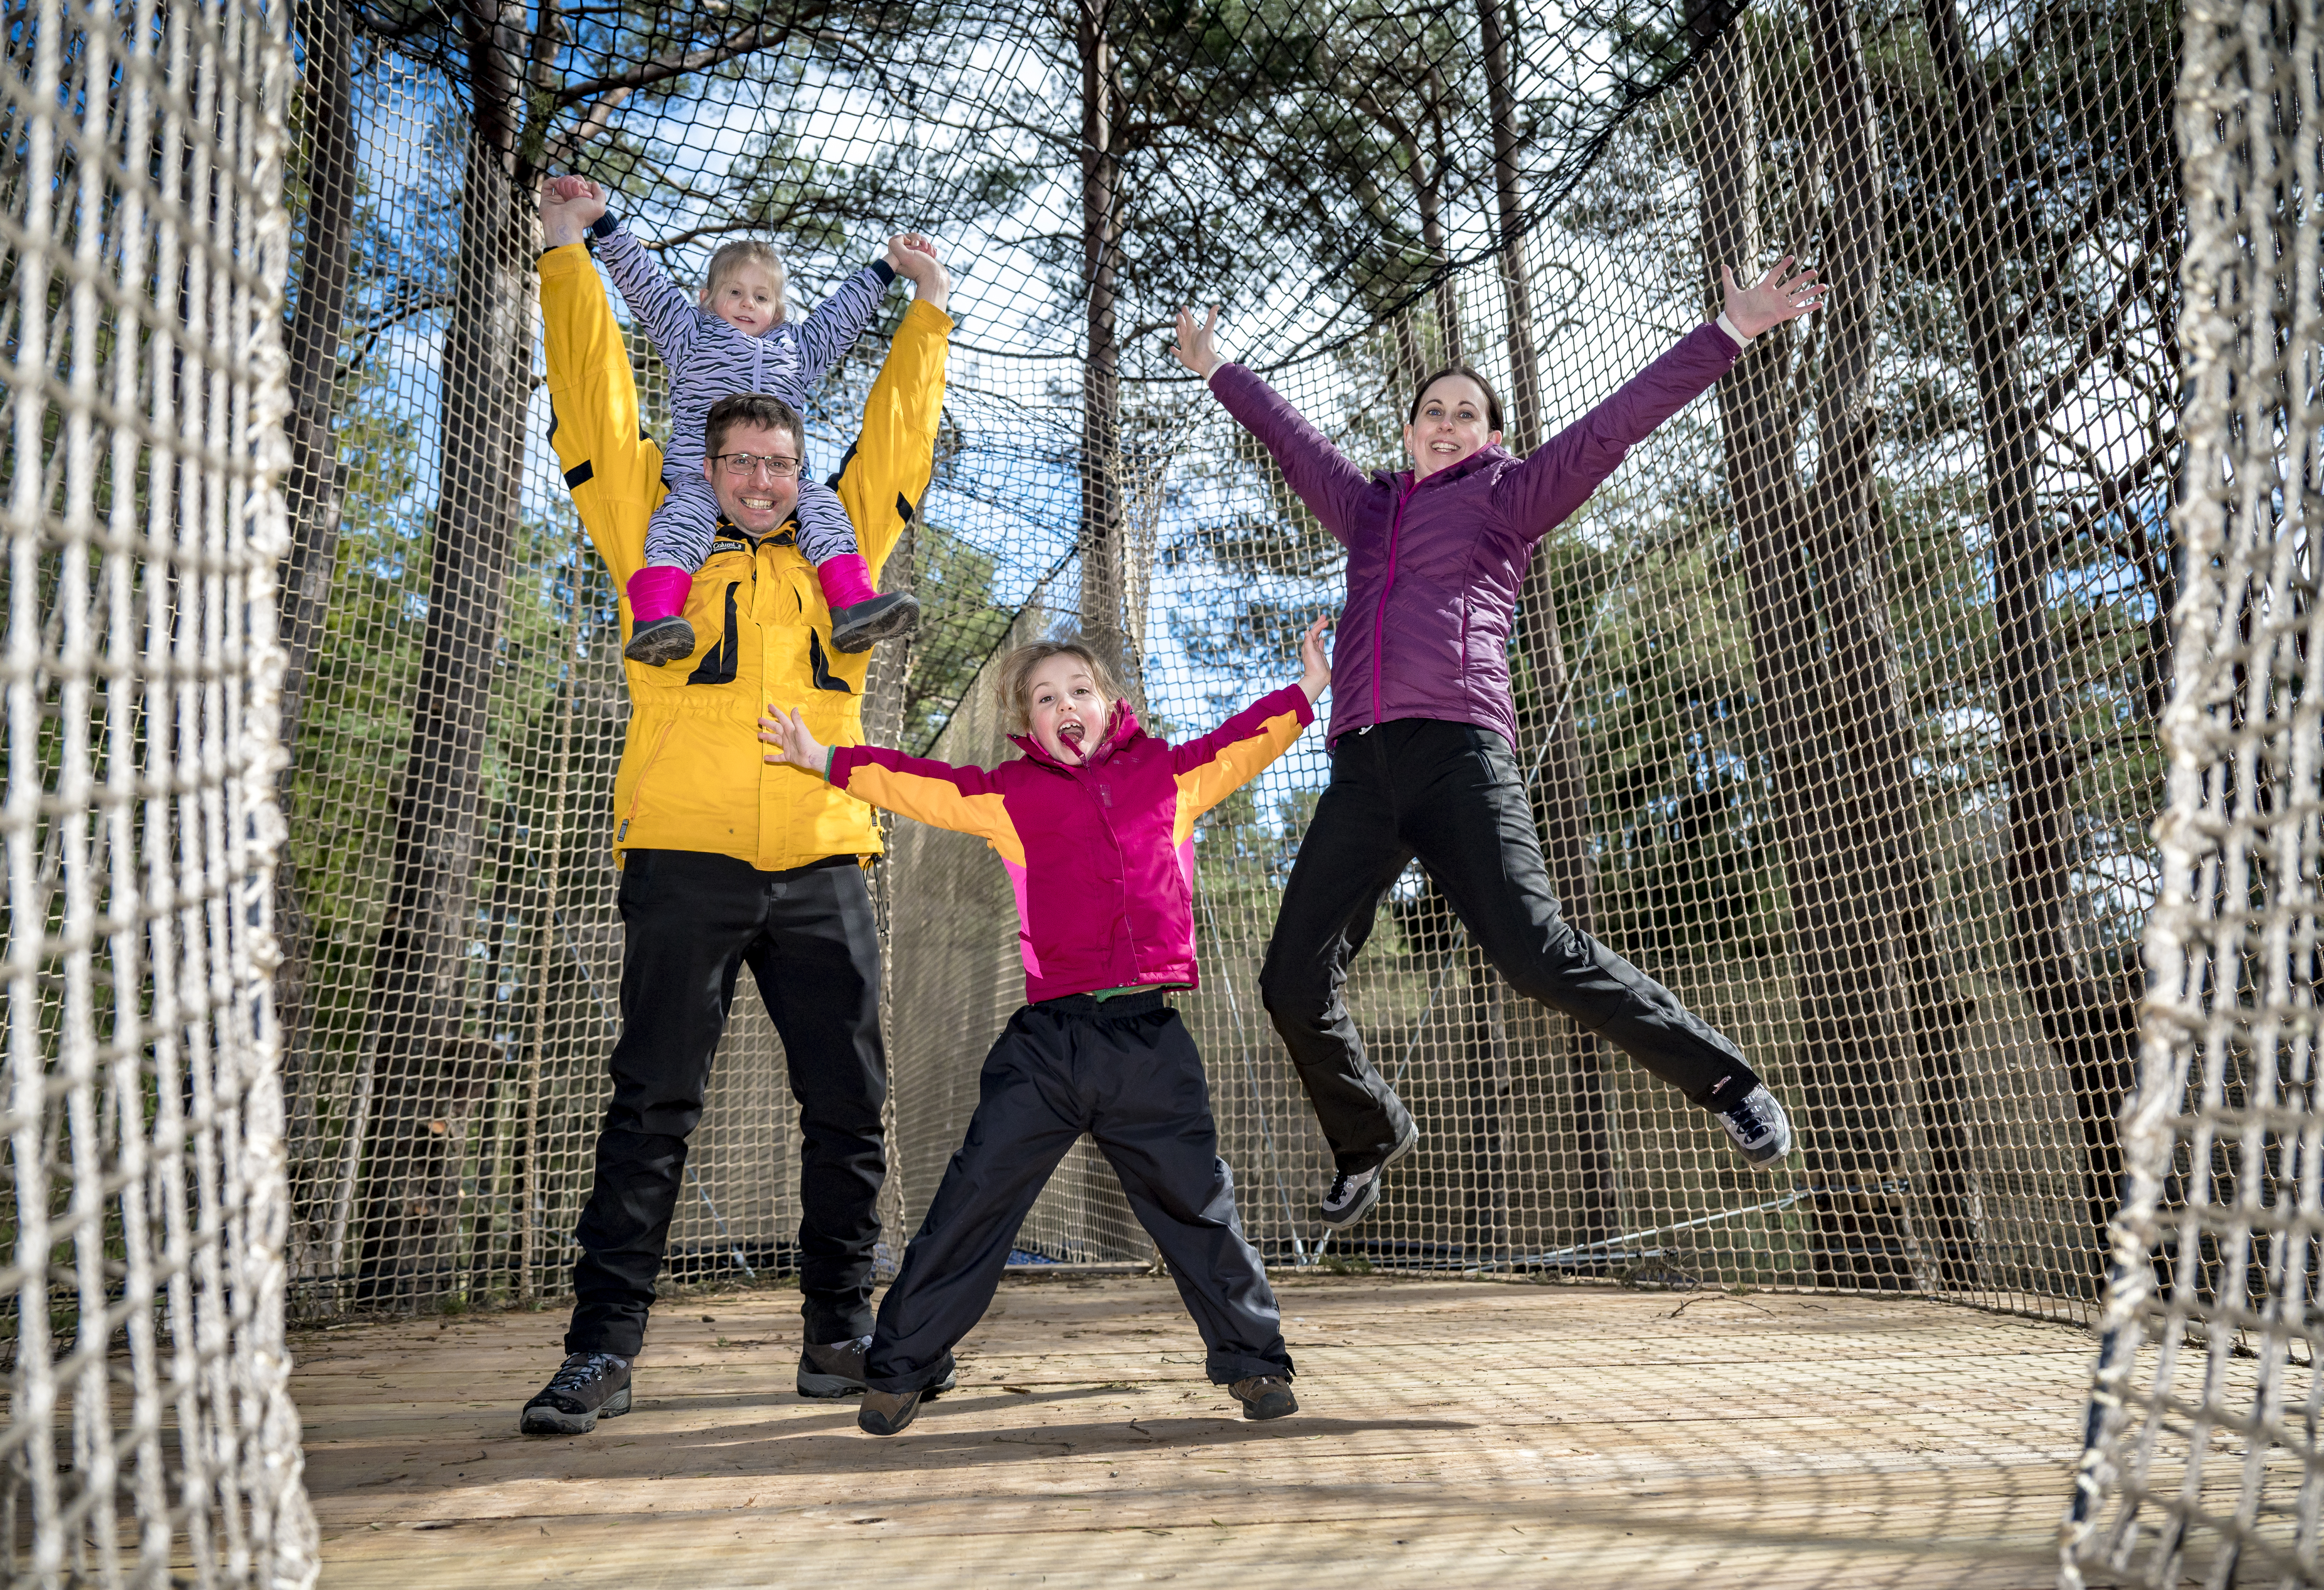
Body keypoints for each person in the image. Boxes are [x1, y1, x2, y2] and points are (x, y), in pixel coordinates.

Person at [1169, 258, 1824, 1230]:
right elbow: (1291, 438)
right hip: (1362, 768)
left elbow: (1614, 427)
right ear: (1406, 431)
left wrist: (1728, 332)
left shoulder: (1505, 501)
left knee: (1533, 953)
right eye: (1432, 409)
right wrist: (1214, 366)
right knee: (1289, 979)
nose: (1446, 422)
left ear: (1492, 437)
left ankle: (1728, 1086)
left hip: (1459, 755)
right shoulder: (1366, 511)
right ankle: (1370, 1133)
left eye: (1465, 413)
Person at [515, 176, 951, 1437]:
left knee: (849, 1103)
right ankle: (600, 1352)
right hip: (684, 855)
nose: (761, 479)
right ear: (705, 465)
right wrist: (567, 256)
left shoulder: (843, 545)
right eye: (740, 462)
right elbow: (596, 401)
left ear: (803, 471)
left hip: (825, 860)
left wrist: (923, 315)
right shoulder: (655, 528)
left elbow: (901, 436)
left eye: (780, 462)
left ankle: (840, 1333)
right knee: (653, 1102)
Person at [757, 621, 1334, 1434]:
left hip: (1149, 1044)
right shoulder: (1008, 795)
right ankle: (896, 1371)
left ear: (1111, 705)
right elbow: (918, 782)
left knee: (1199, 1206)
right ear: (1026, 725)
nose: (1066, 703)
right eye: (1044, 696)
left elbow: (1244, 741)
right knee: (973, 1199)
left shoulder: (1170, 777)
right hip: (1048, 1047)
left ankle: (1256, 1363)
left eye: (1079, 691)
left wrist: (1307, 687)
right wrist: (826, 759)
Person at [572, 179, 921, 665]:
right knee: (682, 519)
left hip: (778, 476)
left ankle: (852, 605)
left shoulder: (800, 350)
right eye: (734, 292)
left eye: (760, 297)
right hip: (702, 469)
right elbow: (644, 284)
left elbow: (843, 315)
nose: (746, 304)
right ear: (707, 297)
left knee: (822, 505)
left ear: (777, 310)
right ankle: (655, 618)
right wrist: (603, 224)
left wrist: (889, 266)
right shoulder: (689, 335)